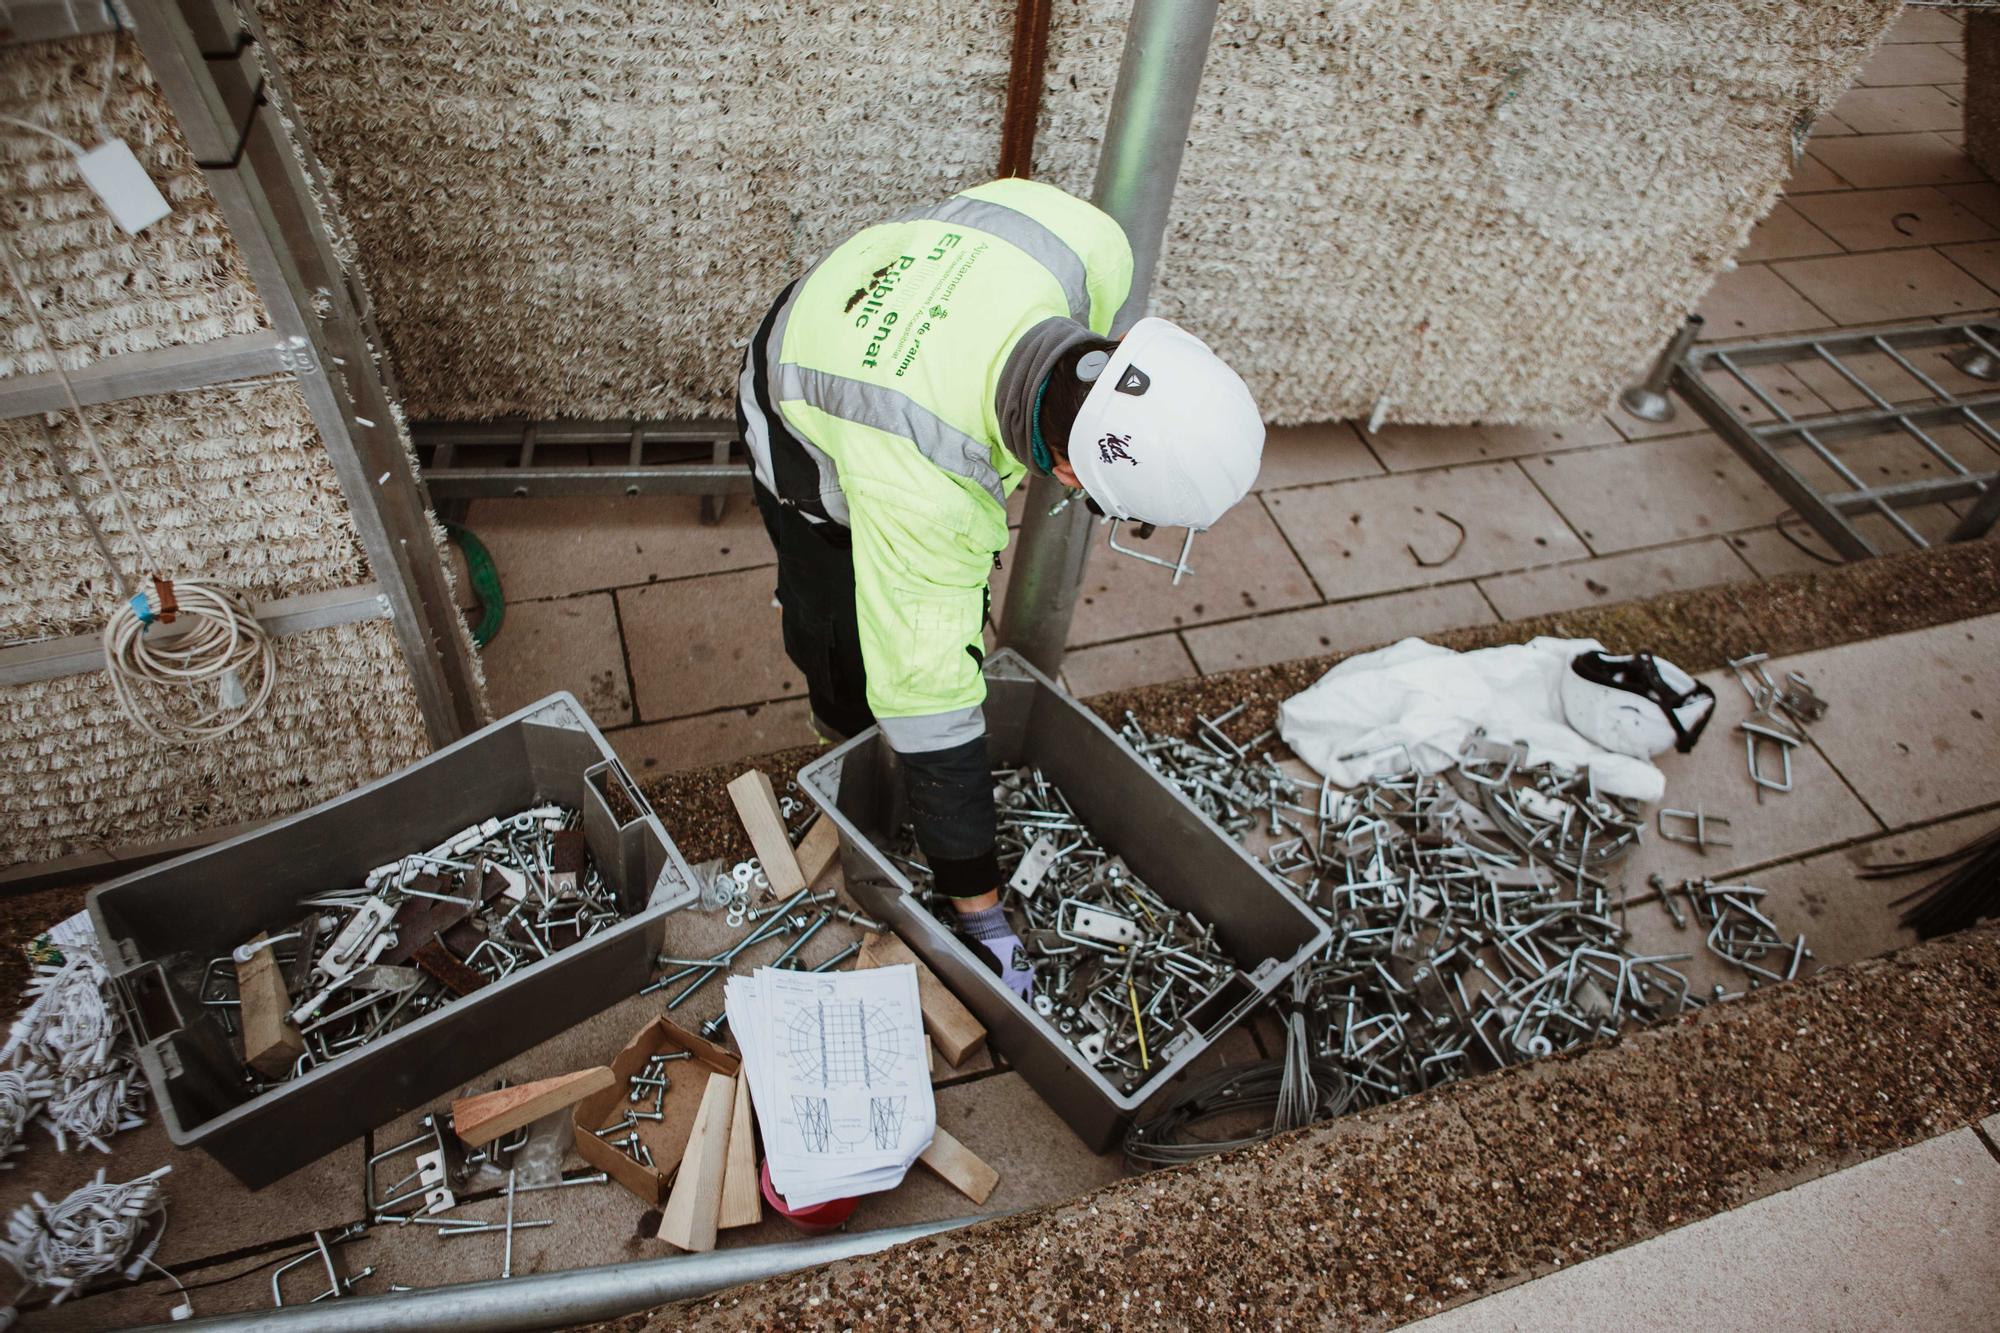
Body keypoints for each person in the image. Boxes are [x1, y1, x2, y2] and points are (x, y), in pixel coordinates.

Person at [738, 178, 1264, 998]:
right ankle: (836, 733)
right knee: (837, 613)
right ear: (1063, 470)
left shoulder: (1089, 247)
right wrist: (977, 902)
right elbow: (930, 700)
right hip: (802, 384)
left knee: (915, 609)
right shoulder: (930, 491)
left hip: (871, 297)